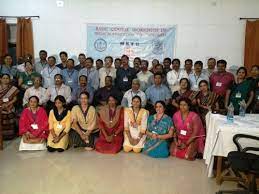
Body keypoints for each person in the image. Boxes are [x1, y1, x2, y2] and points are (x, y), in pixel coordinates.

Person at [0, 74, 19, 139]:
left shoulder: (12, 88)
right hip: (0, 106)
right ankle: (1, 135)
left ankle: (10, 135)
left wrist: (8, 104)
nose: (5, 80)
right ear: (1, 79)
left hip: (10, 105)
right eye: (4, 78)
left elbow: (15, 99)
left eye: (7, 78)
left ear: (9, 80)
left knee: (10, 113)